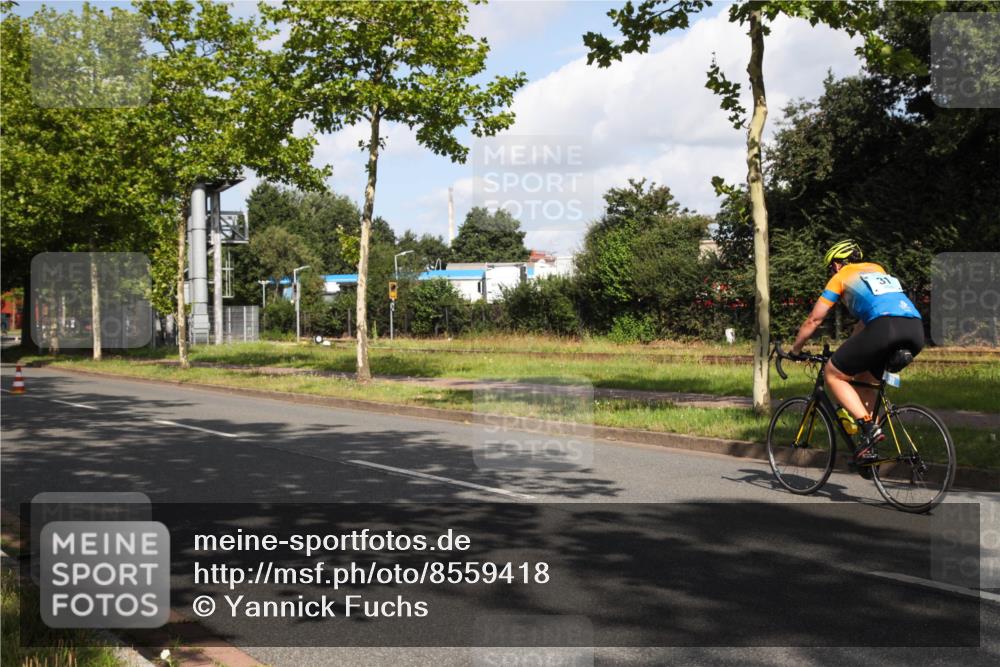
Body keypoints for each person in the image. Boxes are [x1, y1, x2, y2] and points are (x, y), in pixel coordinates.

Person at [789, 240, 924, 470]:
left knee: (833, 373)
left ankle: (870, 429)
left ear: (838, 264)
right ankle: (868, 450)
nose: (832, 271)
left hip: (885, 327)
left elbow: (815, 319)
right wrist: (849, 348)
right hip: (916, 328)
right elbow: (863, 325)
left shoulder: (841, 276)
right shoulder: (878, 270)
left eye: (831, 267)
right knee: (866, 381)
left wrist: (795, 350)